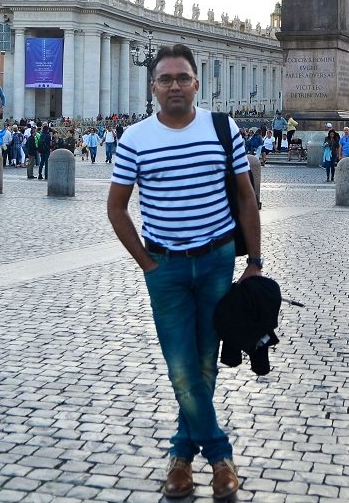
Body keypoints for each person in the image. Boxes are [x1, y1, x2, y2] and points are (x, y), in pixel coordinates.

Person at [107, 44, 260, 500]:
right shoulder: (134, 138)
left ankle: (180, 455)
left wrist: (254, 261)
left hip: (216, 261)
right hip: (167, 269)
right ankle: (219, 456)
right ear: (153, 86)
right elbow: (116, 209)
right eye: (165, 79)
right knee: (181, 369)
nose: (174, 85)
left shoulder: (221, 127)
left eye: (182, 77)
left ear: (196, 82)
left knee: (203, 367)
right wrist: (148, 266)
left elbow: (246, 197)